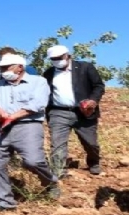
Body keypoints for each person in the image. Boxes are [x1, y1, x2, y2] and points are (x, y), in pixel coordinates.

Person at [0, 54, 60, 213]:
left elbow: (37, 104)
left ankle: (50, 182)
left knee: (33, 161)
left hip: (27, 125)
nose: (2, 71)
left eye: (6, 68)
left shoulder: (38, 81)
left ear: (20, 67)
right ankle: (3, 201)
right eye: (0, 68)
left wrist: (11, 117)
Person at [42, 45, 105, 176]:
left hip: (84, 111)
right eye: (53, 59)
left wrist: (93, 101)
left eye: (59, 58)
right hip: (58, 112)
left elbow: (98, 86)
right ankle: (59, 170)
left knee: (90, 143)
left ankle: (94, 162)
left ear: (68, 56)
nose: (56, 60)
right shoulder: (48, 73)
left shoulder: (85, 67)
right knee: (57, 143)